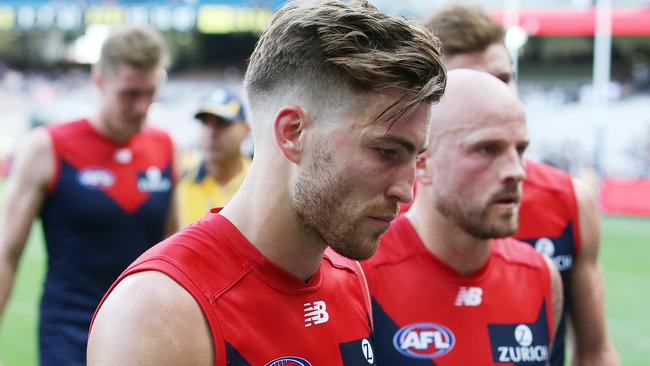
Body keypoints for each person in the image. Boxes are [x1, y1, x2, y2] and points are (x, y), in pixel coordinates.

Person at [87, 1, 446, 365]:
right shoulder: (159, 313)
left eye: (415, 157)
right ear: (293, 133)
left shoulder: (349, 278)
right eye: (386, 152)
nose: (407, 189)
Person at [424, 5, 620, 365]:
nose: (495, 96)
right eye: (471, 82)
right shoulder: (389, 206)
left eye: (503, 78)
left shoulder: (568, 200)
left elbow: (595, 349)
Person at [0, 26, 177, 365]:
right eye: (130, 94)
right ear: (99, 81)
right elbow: (6, 254)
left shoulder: (164, 147)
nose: (142, 106)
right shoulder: (48, 148)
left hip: (145, 336)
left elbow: (173, 249)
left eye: (150, 93)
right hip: (69, 336)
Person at [362, 69, 563, 364]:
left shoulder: (541, 276)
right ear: (424, 164)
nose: (517, 171)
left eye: (520, 150)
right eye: (487, 149)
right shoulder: (359, 277)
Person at [177, 88, 251, 227]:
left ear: (246, 130)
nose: (211, 133)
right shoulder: (180, 176)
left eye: (222, 123)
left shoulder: (258, 182)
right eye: (205, 123)